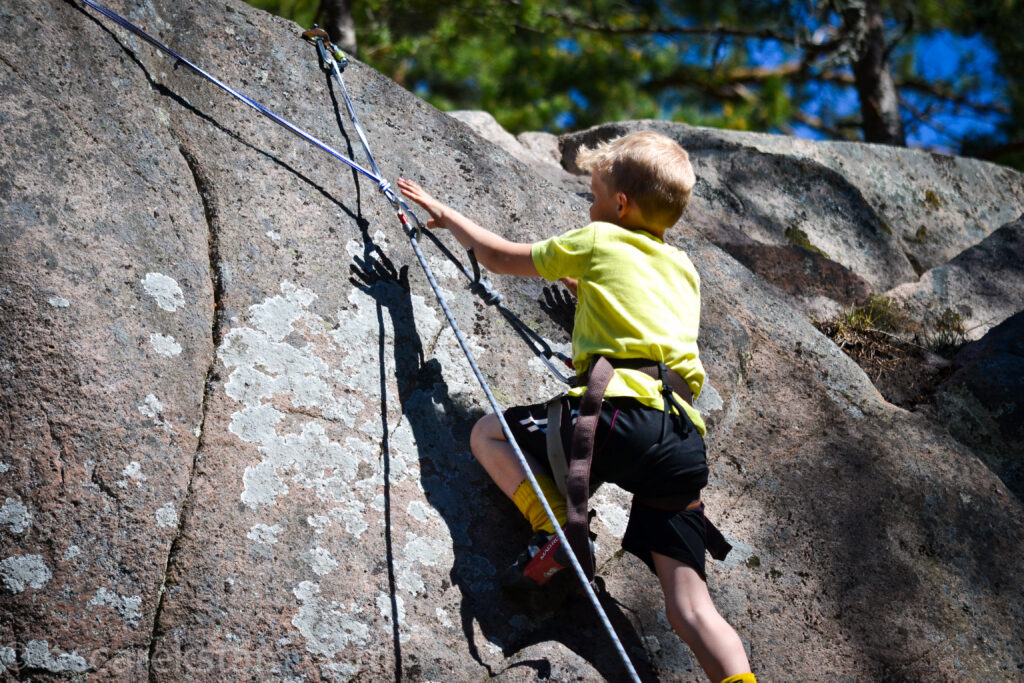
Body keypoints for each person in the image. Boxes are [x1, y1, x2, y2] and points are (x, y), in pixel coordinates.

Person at [397, 130, 755, 683]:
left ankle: (557, 529)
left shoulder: (597, 240)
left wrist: (450, 216)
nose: (589, 204)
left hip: (615, 418)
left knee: (488, 434)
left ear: (619, 204)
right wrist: (591, 300)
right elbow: (645, 319)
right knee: (690, 608)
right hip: (681, 439)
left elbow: (497, 257)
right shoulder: (683, 268)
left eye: (593, 193)